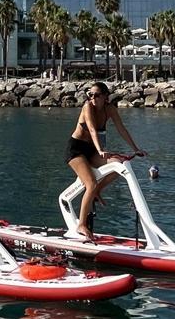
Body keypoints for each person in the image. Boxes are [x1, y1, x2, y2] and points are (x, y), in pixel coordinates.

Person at [66, 82, 146, 242]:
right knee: (90, 183)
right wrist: (101, 150)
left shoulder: (109, 109)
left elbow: (121, 129)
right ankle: (81, 224)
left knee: (119, 164)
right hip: (76, 150)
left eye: (96, 95)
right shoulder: (87, 107)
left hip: (92, 150)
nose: (92, 98)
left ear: (105, 97)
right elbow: (92, 129)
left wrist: (136, 148)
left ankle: (96, 192)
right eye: (90, 95)